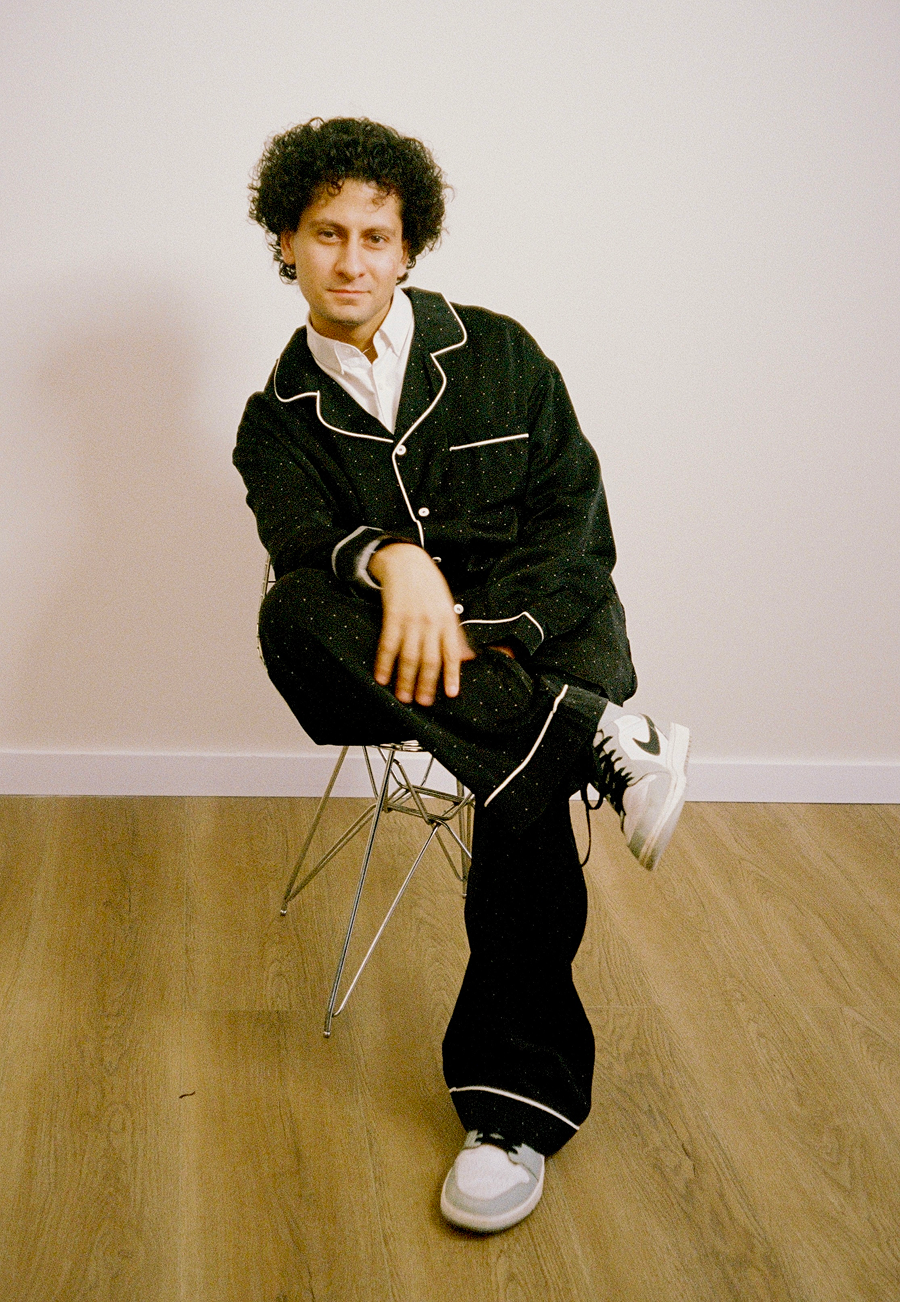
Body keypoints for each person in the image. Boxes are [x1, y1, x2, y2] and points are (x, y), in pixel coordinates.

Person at [234, 117, 689, 1234]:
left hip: (547, 639)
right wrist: (395, 563)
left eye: (375, 237)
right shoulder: (273, 421)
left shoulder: (500, 354)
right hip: (389, 664)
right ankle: (590, 737)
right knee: (295, 612)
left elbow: (577, 535)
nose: (351, 260)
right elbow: (302, 544)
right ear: (285, 241)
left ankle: (510, 1113)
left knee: (515, 788)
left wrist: (479, 630)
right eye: (326, 233)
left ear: (408, 249)